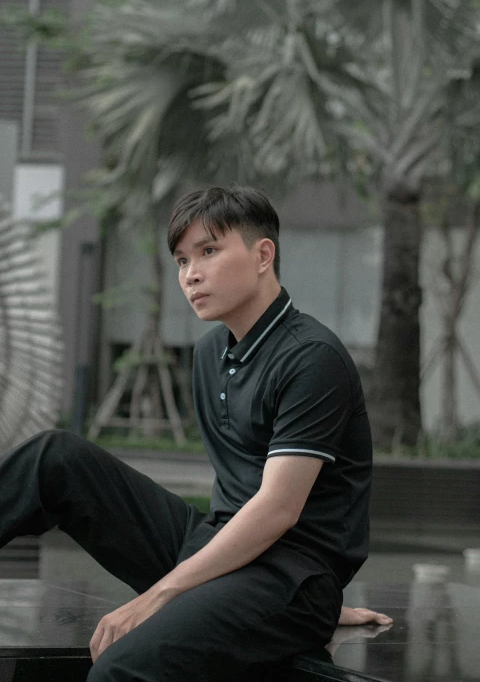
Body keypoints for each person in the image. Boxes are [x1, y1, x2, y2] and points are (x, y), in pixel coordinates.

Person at [0, 185, 391, 682]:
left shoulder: (313, 358)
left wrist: (159, 595)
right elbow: (235, 489)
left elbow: (277, 509)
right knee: (54, 458)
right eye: (182, 260)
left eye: (209, 251)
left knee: (120, 670)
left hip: (291, 576)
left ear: (262, 255)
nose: (191, 275)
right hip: (218, 546)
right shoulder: (211, 354)